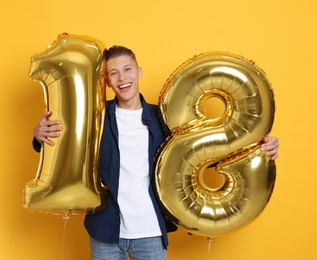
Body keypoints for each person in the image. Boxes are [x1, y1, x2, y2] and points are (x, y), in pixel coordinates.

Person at [32, 46, 280, 260]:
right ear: (106, 81)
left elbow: (198, 154)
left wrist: (258, 148)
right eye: (113, 73)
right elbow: (66, 145)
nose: (122, 78)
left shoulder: (164, 119)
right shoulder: (95, 119)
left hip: (150, 232)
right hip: (106, 232)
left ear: (139, 72)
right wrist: (40, 135)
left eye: (127, 69)